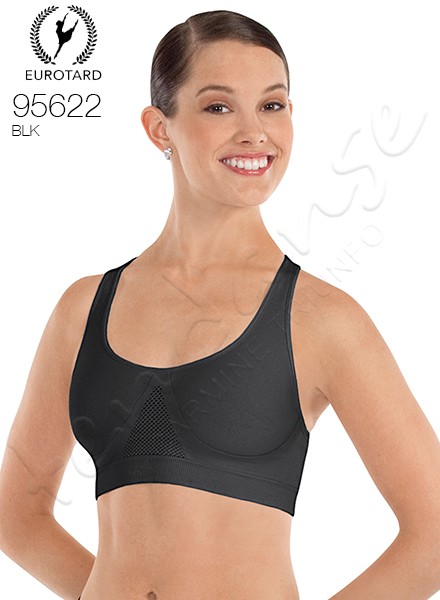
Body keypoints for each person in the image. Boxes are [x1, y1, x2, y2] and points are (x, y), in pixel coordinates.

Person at [1, 9, 440, 600]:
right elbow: (16, 515)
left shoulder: (319, 319)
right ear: (160, 128)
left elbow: (434, 534)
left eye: (272, 105)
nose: (254, 132)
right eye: (218, 107)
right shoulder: (82, 310)